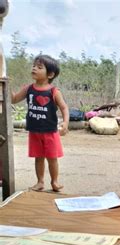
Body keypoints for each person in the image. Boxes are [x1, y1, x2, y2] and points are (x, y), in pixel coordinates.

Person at [11, 54, 69, 192]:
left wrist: (65, 123)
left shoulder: (54, 91)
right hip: (34, 131)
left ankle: (54, 182)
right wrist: (7, 85)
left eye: (39, 67)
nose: (34, 69)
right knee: (38, 158)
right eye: (33, 66)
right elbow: (13, 99)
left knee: (52, 158)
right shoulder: (28, 88)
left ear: (50, 74)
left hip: (50, 131)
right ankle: (40, 182)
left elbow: (64, 107)